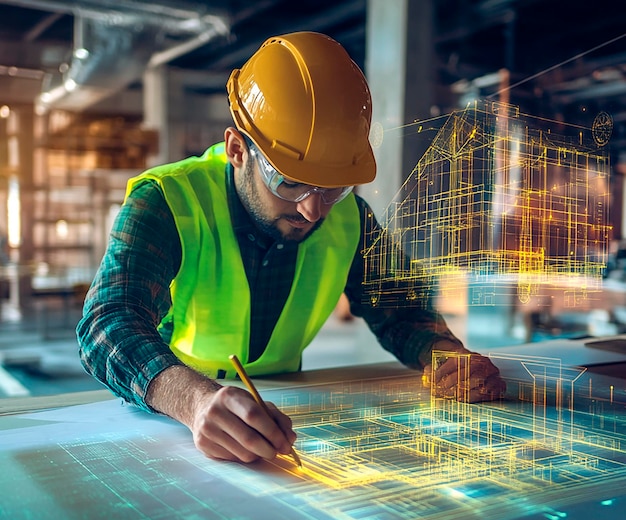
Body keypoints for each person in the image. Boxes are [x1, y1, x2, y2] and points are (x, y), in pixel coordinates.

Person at [77, 31, 505, 464]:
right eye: (290, 181)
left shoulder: (350, 218)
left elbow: (402, 308)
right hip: (171, 412)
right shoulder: (167, 201)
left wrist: (447, 358)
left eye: (334, 186)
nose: (313, 209)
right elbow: (107, 324)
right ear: (236, 149)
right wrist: (195, 401)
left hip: (291, 412)